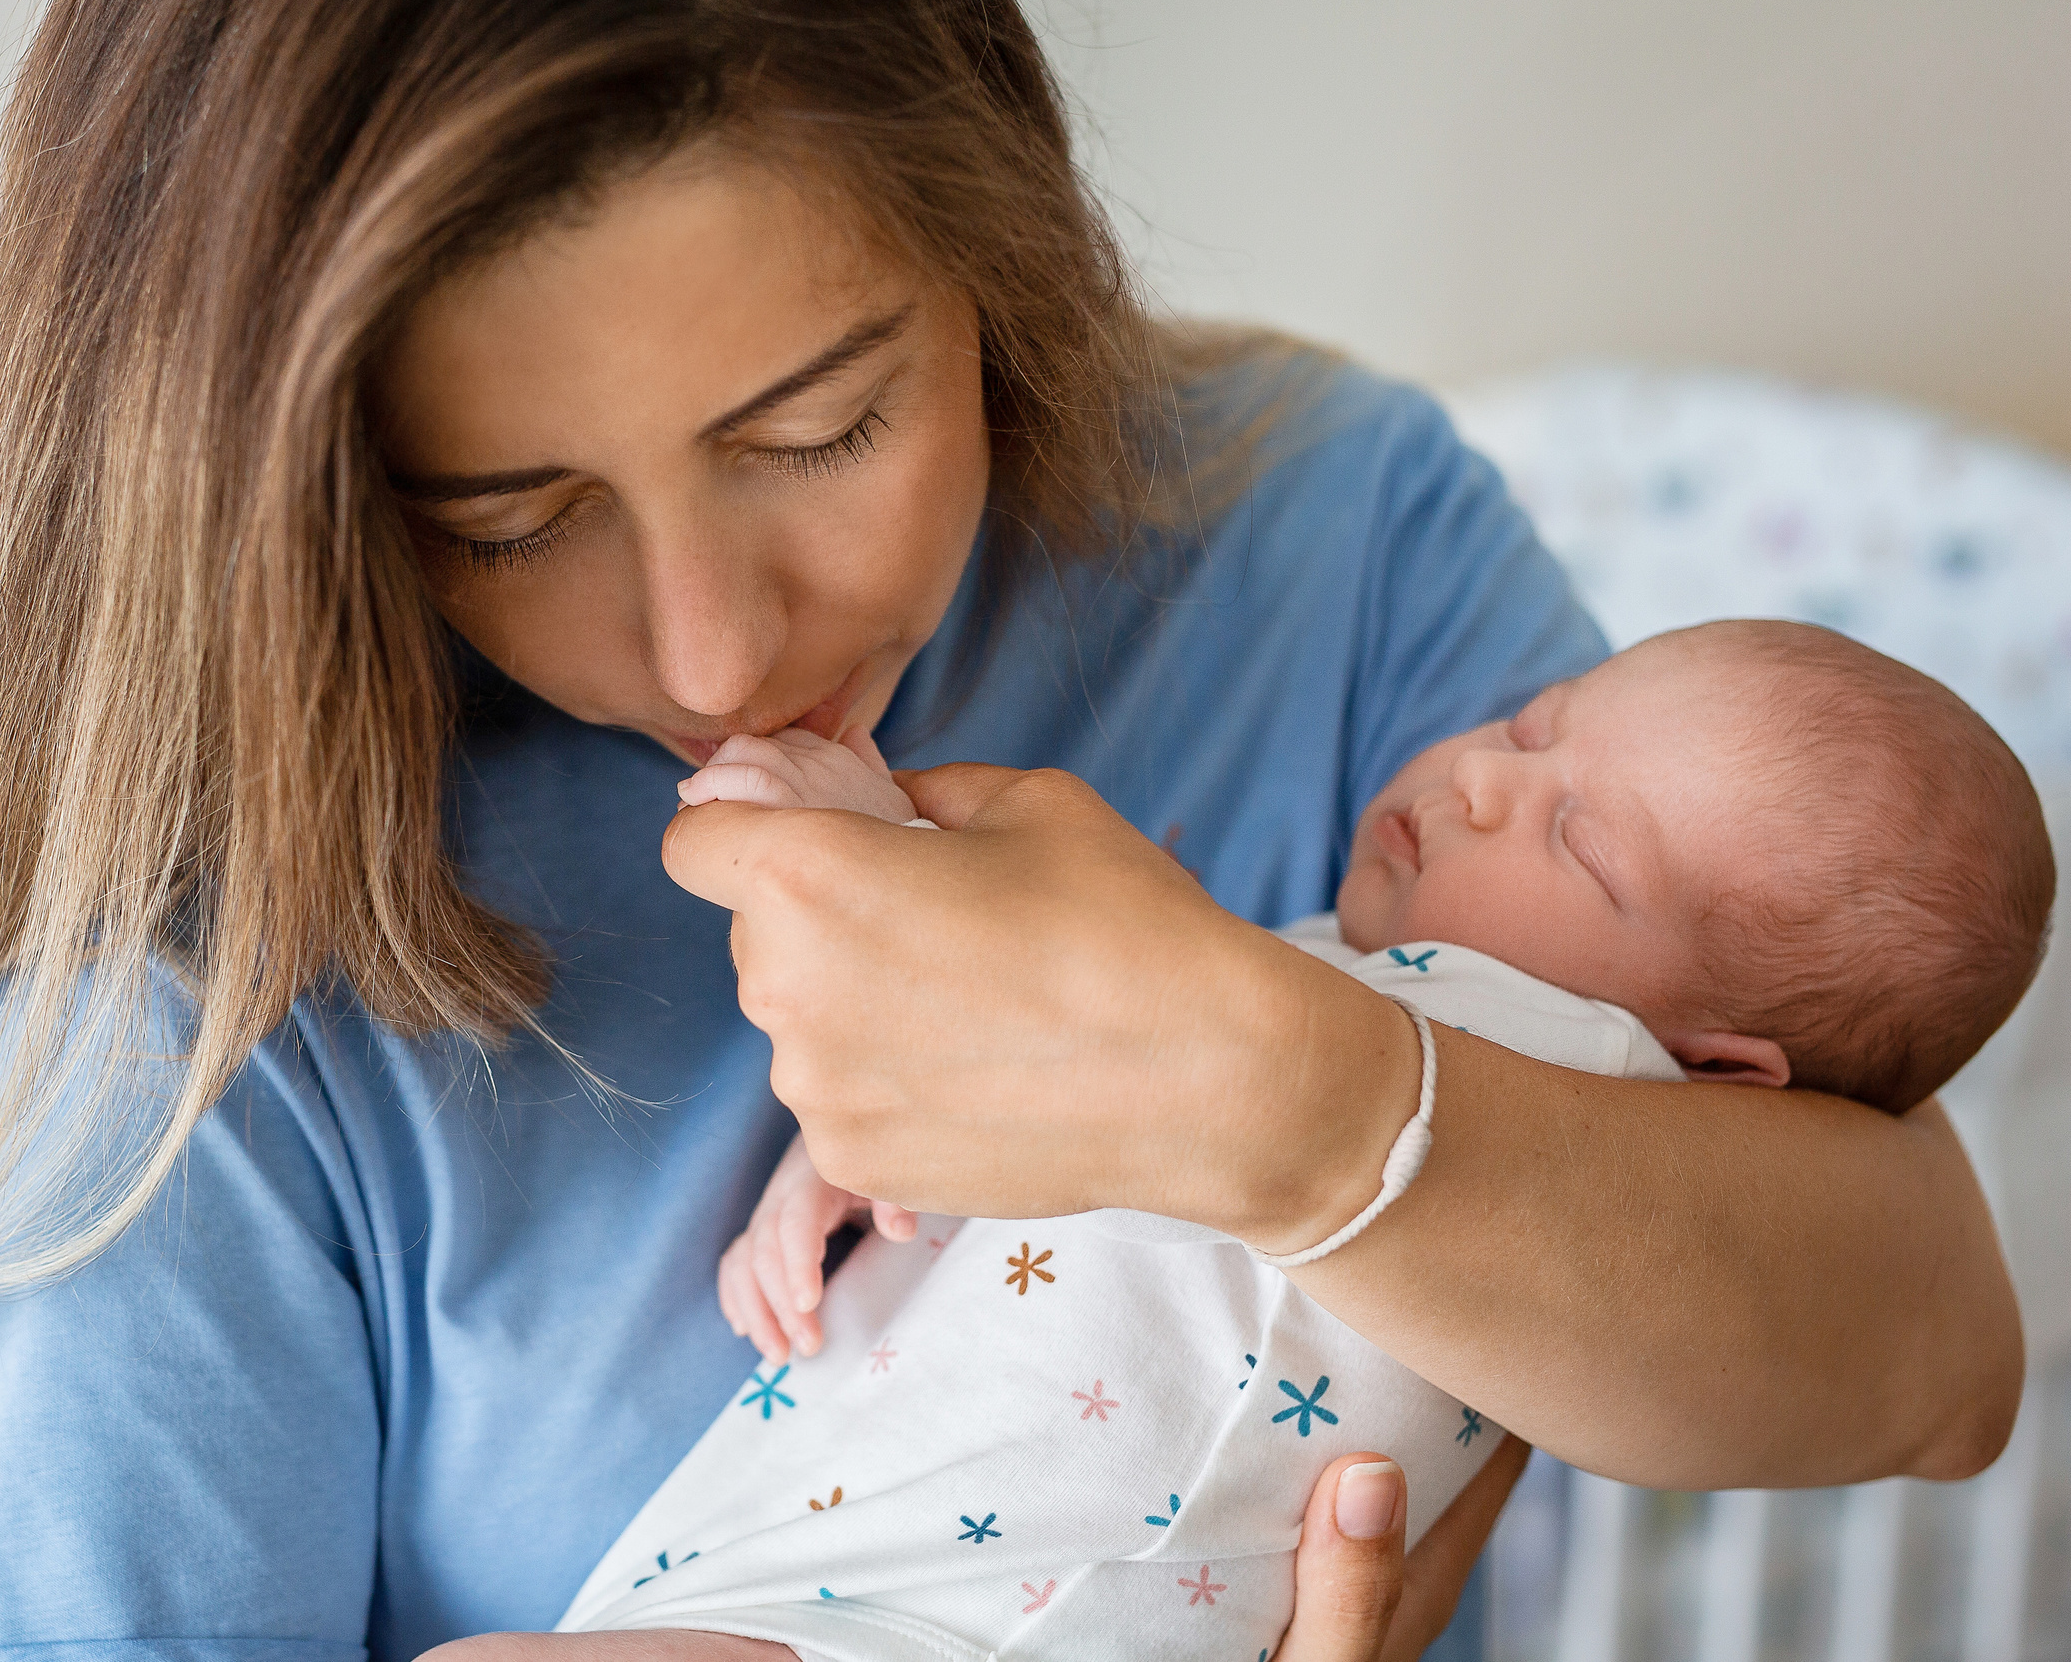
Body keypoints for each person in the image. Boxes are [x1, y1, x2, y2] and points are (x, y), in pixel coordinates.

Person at [0, 0, 2025, 1662]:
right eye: (507, 510)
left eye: (816, 427)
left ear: (997, 257)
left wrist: (1277, 1093)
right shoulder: (174, 1003)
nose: (709, 654)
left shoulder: (1308, 533)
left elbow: (1920, 1348)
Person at [488, 622, 2054, 1660]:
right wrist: (863, 1143)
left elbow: (1143, 1082)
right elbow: (1062, 1098)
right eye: (1531, 726)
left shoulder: (1576, 1061)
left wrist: (875, 846)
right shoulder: (1371, 993)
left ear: (1716, 1068)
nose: (1493, 777)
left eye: (1580, 838)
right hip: (854, 1583)